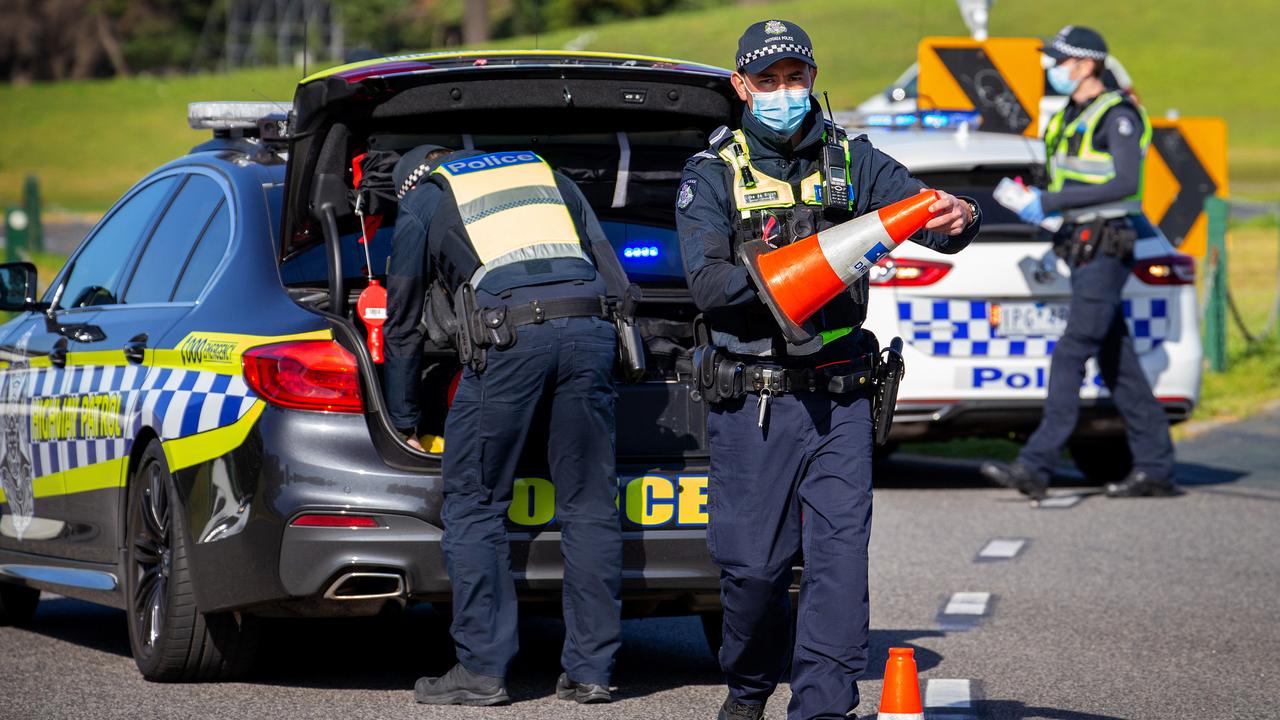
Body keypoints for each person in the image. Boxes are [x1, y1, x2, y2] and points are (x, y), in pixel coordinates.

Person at [676, 20, 980, 720]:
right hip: (754, 401)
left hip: (841, 397)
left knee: (839, 570)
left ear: (812, 78)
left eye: (796, 77)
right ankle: (748, 685)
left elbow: (922, 212)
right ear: (741, 86)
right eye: (769, 80)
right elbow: (710, 285)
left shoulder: (852, 158)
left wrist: (960, 216)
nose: (785, 92)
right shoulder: (713, 172)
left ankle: (822, 707)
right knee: (755, 571)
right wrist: (796, 271)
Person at [384, 144, 624, 705]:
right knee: (589, 503)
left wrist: (406, 419)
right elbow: (617, 284)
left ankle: (482, 670)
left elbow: (402, 322)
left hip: (509, 337)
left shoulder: (426, 196)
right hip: (590, 330)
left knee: (473, 501)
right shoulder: (546, 174)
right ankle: (592, 671)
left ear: (412, 179)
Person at [980, 26, 1177, 499]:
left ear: (1086, 65)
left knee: (1072, 351)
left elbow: (1127, 184)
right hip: (1081, 244)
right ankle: (1156, 468)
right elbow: (1067, 176)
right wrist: (1033, 195)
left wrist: (1049, 202)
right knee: (1117, 362)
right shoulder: (1069, 115)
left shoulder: (1118, 115)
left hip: (1106, 246)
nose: (1052, 68)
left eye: (1060, 60)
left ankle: (1035, 464)